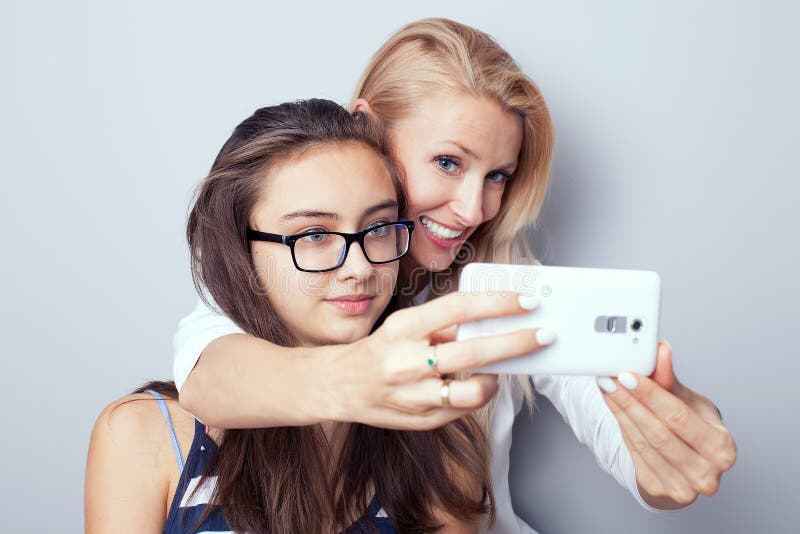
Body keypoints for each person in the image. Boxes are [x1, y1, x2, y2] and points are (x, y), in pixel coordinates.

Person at [173, 19, 737, 532]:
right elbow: (206, 373)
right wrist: (362, 376)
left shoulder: (504, 285)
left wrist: (678, 440)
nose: (474, 209)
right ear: (367, 128)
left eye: (498, 176)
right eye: (448, 163)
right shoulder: (299, 262)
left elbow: (631, 450)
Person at [86, 99, 530, 533]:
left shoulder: (443, 453)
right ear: (241, 250)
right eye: (314, 234)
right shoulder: (142, 437)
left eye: (378, 228)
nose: (359, 268)